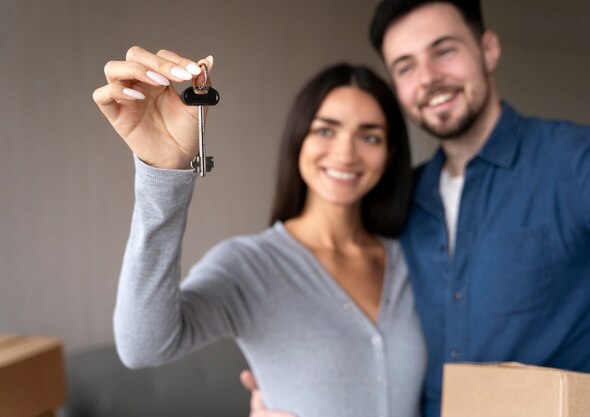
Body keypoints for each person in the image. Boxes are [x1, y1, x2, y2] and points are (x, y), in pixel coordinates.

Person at [247, 1, 590, 416]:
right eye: (406, 66)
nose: (428, 78)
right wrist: (284, 394)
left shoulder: (583, 164)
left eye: (444, 50)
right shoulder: (398, 200)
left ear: (489, 49)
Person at [92, 47, 428, 417]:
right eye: (326, 130)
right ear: (298, 138)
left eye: (370, 136)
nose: (346, 153)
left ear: (391, 153)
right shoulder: (249, 266)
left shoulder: (414, 259)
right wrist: (163, 174)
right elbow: (143, 347)